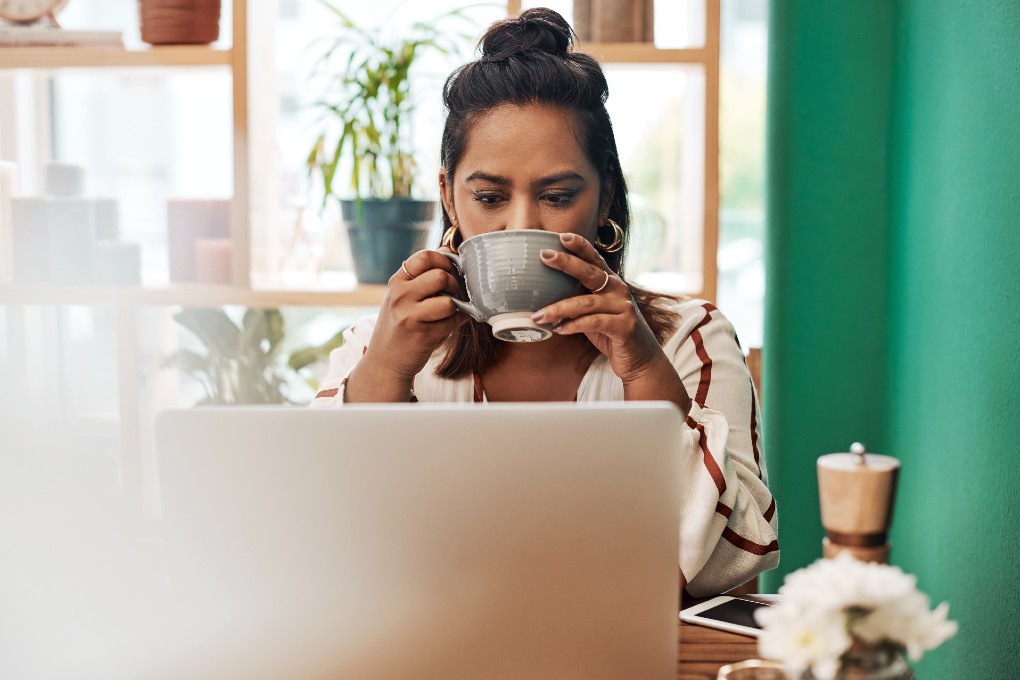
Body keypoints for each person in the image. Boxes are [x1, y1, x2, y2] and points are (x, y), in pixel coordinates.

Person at [312, 7, 778, 597]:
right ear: (449, 200)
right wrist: (386, 369)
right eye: (488, 196)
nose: (520, 225)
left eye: (557, 195)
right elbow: (326, 550)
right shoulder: (379, 347)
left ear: (606, 194)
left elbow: (723, 569)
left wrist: (640, 367)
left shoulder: (691, 338)